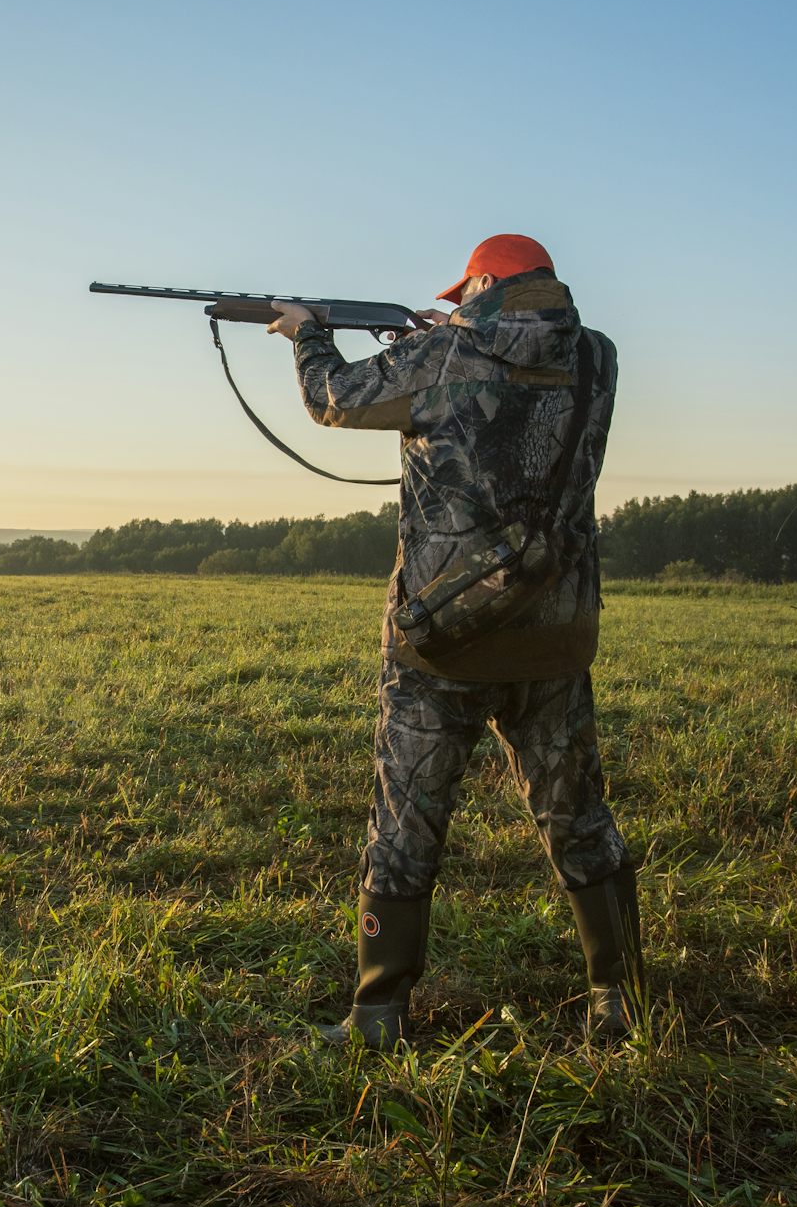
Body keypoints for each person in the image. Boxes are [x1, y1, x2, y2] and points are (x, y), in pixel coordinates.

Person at [265, 235, 643, 1047]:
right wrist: (438, 337)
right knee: (578, 815)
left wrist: (306, 331)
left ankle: (377, 1016)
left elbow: (333, 398)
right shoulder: (598, 359)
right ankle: (621, 998)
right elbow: (508, 381)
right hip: (555, 632)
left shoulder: (443, 355)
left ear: (482, 283)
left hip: (443, 638)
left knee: (405, 824)